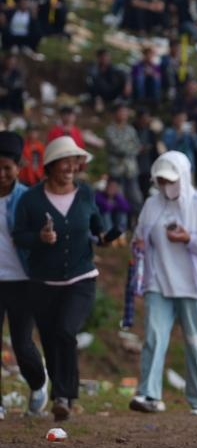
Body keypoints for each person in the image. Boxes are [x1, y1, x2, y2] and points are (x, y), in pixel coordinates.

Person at [12, 137, 114, 422]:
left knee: (66, 331)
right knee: (48, 338)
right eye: (66, 161)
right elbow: (19, 236)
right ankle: (59, 392)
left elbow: (97, 227)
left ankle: (64, 396)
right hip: (43, 283)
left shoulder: (86, 195)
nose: (72, 167)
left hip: (81, 279)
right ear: (51, 165)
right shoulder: (31, 199)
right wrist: (39, 238)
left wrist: (106, 237)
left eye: (75, 161)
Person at [128, 152, 197, 415]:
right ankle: (149, 394)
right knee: (153, 338)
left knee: (194, 341)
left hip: (192, 285)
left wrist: (189, 239)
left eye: (170, 180)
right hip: (158, 282)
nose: (165, 185)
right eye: (160, 181)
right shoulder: (152, 205)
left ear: (182, 176)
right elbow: (140, 235)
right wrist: (138, 243)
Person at [0, 131, 47, 420]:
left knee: (22, 342)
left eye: (7, 168)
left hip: (21, 281)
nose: (2, 174)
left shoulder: (28, 198)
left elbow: (40, 237)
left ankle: (38, 384)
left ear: (18, 167)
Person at [104, 101, 143, 219]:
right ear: (115, 113)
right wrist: (129, 148)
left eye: (125, 111)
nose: (123, 114)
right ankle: (121, 230)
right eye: (121, 111)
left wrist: (129, 148)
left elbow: (137, 146)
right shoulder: (110, 130)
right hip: (116, 171)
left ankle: (137, 224)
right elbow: (117, 147)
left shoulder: (131, 129)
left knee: (136, 198)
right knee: (119, 200)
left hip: (131, 170)